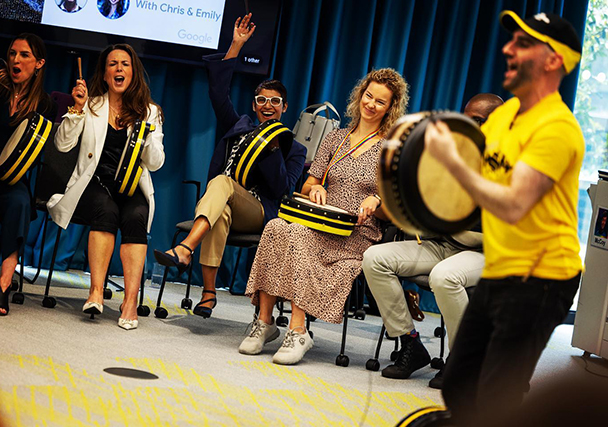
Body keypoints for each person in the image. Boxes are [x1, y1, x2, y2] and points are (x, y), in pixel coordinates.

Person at [424, 11, 584, 425]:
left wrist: (453, 165)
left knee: (498, 396)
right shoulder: (503, 114)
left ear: (553, 61)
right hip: (501, 266)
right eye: (511, 40)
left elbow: (514, 204)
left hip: (544, 276)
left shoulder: (557, 128)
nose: (507, 49)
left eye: (523, 43)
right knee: (458, 384)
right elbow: (473, 183)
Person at [238, 68, 410, 365]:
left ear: (390, 108)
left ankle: (298, 330)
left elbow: (395, 209)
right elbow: (309, 182)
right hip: (322, 221)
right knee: (277, 227)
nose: (371, 104)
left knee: (298, 235)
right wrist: (315, 189)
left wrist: (377, 199)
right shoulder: (336, 137)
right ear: (360, 96)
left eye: (380, 102)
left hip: (357, 234)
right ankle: (265, 322)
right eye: (368, 96)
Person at [153, 14, 306, 319]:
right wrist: (236, 44)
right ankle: (209, 294)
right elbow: (217, 91)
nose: (268, 106)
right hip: (221, 206)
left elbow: (282, 189)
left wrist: (271, 149)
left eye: (275, 102)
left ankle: (186, 248)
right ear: (254, 105)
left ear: (284, 108)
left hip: (259, 211)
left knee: (222, 183)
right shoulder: (237, 126)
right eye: (262, 100)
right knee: (219, 208)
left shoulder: (293, 147)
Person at [361, 93, 503, 387]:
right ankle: (410, 344)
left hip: (487, 251)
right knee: (375, 259)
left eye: (478, 121)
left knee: (443, 277)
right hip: (444, 243)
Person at [47, 43, 165, 330]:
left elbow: (156, 162)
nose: (119, 69)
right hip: (95, 184)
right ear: (104, 73)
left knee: (137, 216)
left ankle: (130, 301)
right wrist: (76, 109)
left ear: (133, 72)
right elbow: (62, 144)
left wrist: (146, 135)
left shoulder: (150, 111)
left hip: (131, 186)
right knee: (106, 211)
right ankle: (96, 292)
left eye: (125, 64)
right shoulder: (91, 105)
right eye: (113, 64)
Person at [0, 0, 56, 315]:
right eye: (13, 54)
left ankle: (3, 284)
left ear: (39, 63)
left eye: (24, 55)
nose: (15, 60)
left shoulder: (43, 104)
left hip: (10, 180)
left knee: (21, 203)